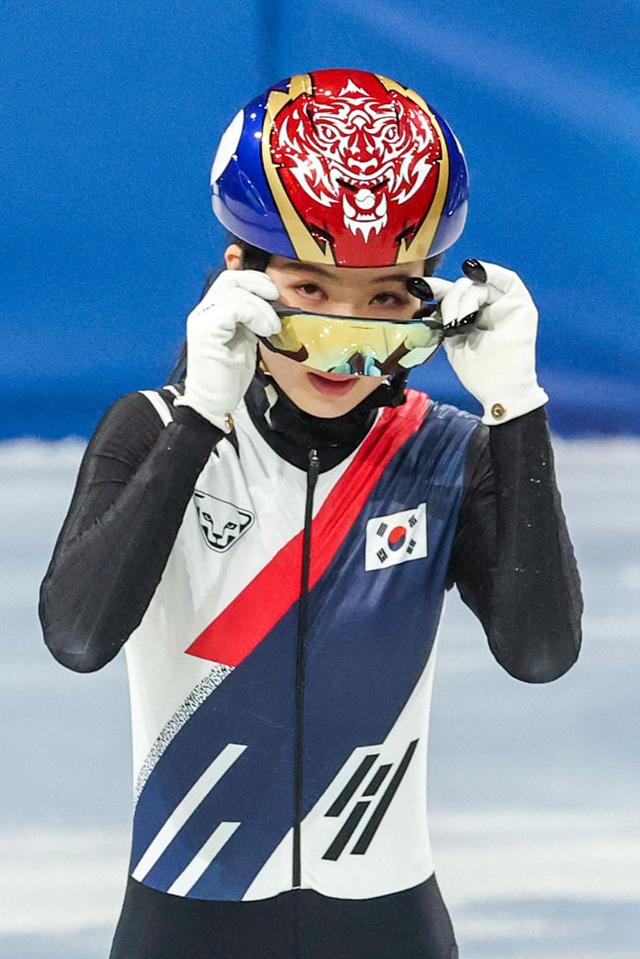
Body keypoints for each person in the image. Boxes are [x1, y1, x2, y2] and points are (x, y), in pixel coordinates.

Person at [39, 69, 582, 959]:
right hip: (186, 921)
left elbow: (541, 653)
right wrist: (198, 422)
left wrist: (516, 409)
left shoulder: (447, 450)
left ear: (430, 301)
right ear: (239, 275)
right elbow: (79, 638)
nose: (342, 334)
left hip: (388, 926)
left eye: (384, 298)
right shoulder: (150, 430)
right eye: (310, 289)